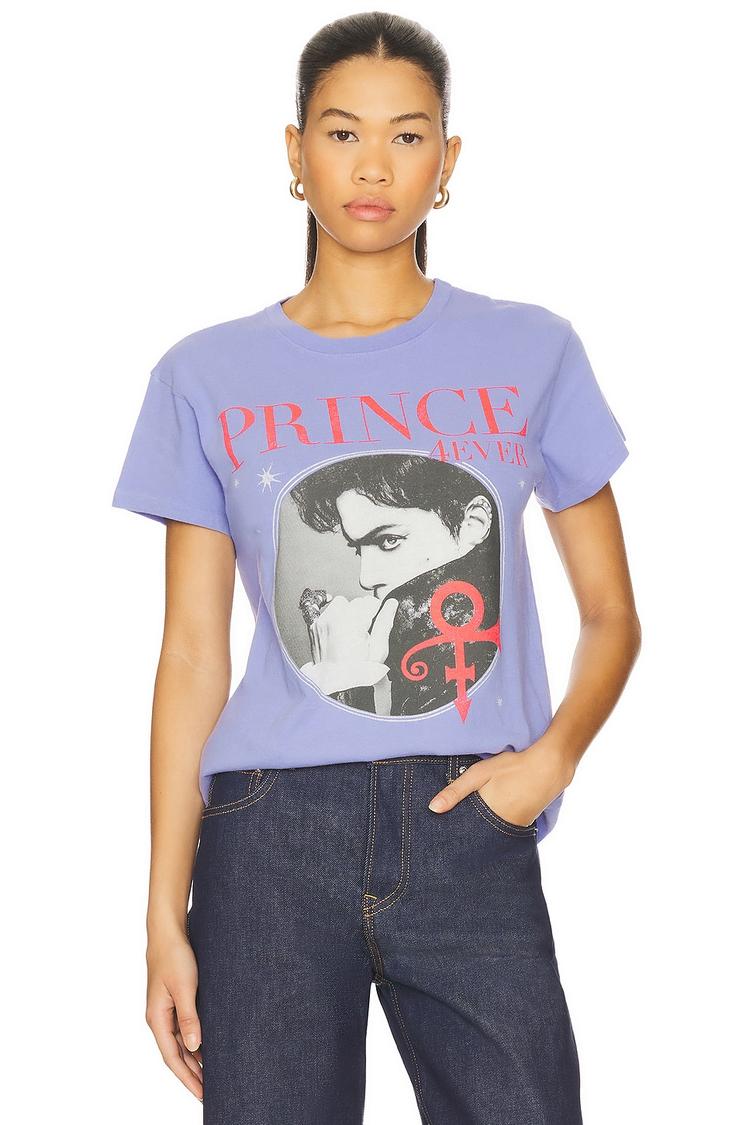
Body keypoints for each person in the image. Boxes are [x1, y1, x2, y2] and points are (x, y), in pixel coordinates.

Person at [112, 12, 641, 1124]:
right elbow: (193, 655)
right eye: (343, 131)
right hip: (268, 836)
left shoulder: (533, 349)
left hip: (471, 814)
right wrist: (164, 911)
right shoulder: (204, 375)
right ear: (295, 149)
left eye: (408, 136)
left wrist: (550, 761)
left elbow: (610, 613)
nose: (372, 166)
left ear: (448, 161)